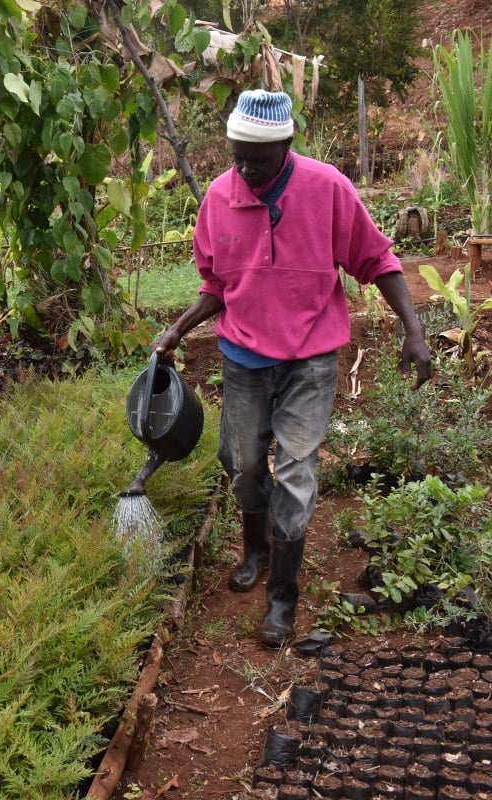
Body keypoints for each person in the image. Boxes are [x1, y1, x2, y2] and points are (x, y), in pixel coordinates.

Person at [153, 89, 433, 647]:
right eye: (236, 156)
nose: (244, 169)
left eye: (256, 158)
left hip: (309, 360)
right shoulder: (219, 197)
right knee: (244, 464)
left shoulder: (327, 188)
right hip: (244, 359)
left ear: (286, 145)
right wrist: (178, 328)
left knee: (296, 475)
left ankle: (283, 598)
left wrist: (414, 327)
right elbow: (217, 285)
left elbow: (376, 258)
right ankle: (254, 547)